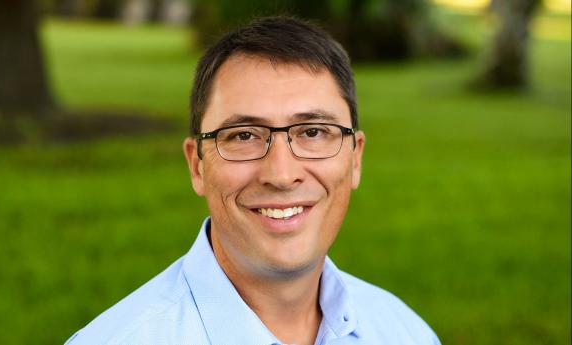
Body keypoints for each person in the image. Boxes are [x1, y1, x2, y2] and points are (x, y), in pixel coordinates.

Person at [65, 16, 440, 345]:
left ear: (355, 158)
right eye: (244, 135)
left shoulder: (405, 332)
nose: (280, 174)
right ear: (197, 165)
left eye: (312, 132)